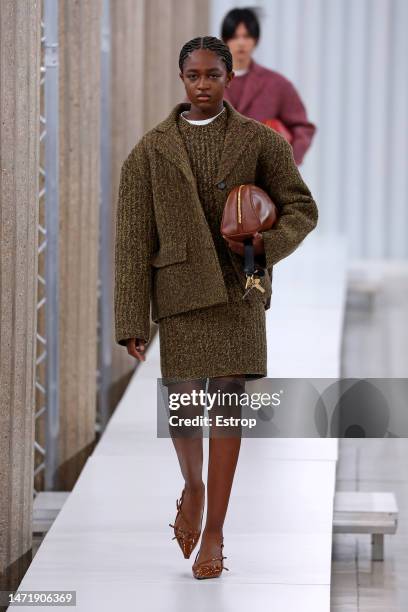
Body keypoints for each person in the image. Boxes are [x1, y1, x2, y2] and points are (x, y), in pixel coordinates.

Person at [114, 36, 318, 580]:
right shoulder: (151, 149)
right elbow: (133, 237)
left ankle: (215, 534)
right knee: (182, 405)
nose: (202, 85)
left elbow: (302, 207)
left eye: (212, 75)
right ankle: (194, 486)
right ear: (181, 79)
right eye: (192, 76)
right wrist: (131, 317)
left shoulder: (258, 140)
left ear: (230, 78)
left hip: (238, 288)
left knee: (227, 405)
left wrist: (264, 247)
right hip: (179, 290)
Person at [221, 7, 316, 165]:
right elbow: (187, 125)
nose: (241, 43)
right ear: (225, 40)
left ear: (256, 40)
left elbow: (303, 128)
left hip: (262, 179)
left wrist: (287, 164)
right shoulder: (207, 82)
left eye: (247, 36)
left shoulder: (276, 84)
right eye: (235, 36)